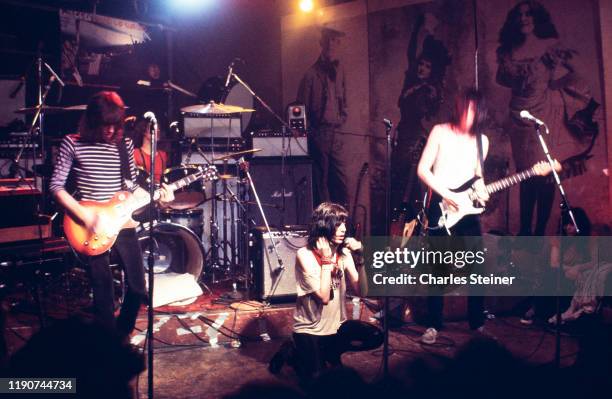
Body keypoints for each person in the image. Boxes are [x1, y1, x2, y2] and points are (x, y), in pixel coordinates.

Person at [49, 91, 174, 339]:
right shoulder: (72, 142)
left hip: (122, 219)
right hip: (89, 224)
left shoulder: (123, 144)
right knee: (103, 292)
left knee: (138, 288)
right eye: (103, 124)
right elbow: (56, 187)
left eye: (114, 124)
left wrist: (159, 194)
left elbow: (130, 187)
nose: (109, 130)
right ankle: (106, 347)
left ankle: (120, 337)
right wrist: (85, 216)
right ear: (92, 121)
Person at [496, 1, 597, 235]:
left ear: (536, 18)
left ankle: (539, 232)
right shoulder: (508, 51)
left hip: (542, 115)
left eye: (528, 14)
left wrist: (553, 82)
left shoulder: (550, 46)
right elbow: (502, 79)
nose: (524, 19)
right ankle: (524, 233)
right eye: (519, 15)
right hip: (518, 119)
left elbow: (576, 71)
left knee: (546, 175)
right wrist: (523, 75)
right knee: (526, 175)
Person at [268, 202, 382, 381]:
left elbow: (362, 291)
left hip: (337, 327)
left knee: (376, 336)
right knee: (317, 380)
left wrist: (361, 257)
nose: (343, 229)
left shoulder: (344, 253)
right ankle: (291, 352)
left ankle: (331, 353)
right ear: (323, 226)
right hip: (310, 330)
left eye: (344, 223)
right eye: (338, 224)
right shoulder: (305, 255)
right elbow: (323, 297)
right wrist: (327, 260)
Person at [416, 88, 489, 344]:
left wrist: (482, 191)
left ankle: (477, 324)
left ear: (479, 111)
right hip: (441, 206)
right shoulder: (440, 131)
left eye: (472, 108)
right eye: (464, 106)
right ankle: (434, 325)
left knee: (477, 268)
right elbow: (423, 170)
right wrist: (445, 194)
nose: (467, 112)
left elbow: (478, 177)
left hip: (467, 210)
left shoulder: (482, 141)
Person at [392, 12, 451, 217]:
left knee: (414, 188)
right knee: (398, 185)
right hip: (403, 137)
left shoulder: (430, 90)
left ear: (432, 70)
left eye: (427, 66)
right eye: (421, 64)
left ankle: (417, 227)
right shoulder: (412, 81)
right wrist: (420, 27)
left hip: (415, 141)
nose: (421, 68)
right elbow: (411, 53)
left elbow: (430, 118)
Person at [297, 27, 349, 208]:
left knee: (342, 182)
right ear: (321, 44)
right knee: (321, 182)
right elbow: (301, 108)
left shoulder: (340, 71)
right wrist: (313, 132)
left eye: (335, 41)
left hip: (338, 134)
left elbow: (344, 100)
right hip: (320, 134)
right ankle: (325, 224)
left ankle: (344, 226)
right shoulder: (310, 75)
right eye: (328, 41)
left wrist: (342, 119)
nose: (331, 45)